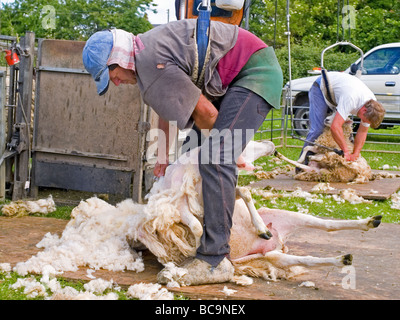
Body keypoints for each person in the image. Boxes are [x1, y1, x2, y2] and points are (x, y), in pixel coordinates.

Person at [82, 19, 283, 285]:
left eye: (112, 75)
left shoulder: (149, 62)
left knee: (214, 157)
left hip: (254, 72)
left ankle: (215, 260)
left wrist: (230, 154)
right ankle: (207, 236)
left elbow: (207, 113)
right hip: (239, 74)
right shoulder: (146, 59)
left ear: (117, 58)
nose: (116, 83)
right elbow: (165, 106)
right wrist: (164, 157)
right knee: (200, 153)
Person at [299, 71, 385, 164]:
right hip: (322, 87)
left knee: (342, 135)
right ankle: (302, 165)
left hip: (338, 93)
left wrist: (355, 153)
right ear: (364, 110)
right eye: (364, 119)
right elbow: (335, 127)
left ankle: (320, 165)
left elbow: (363, 131)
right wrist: (346, 151)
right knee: (318, 129)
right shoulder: (351, 99)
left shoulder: (372, 107)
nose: (363, 121)